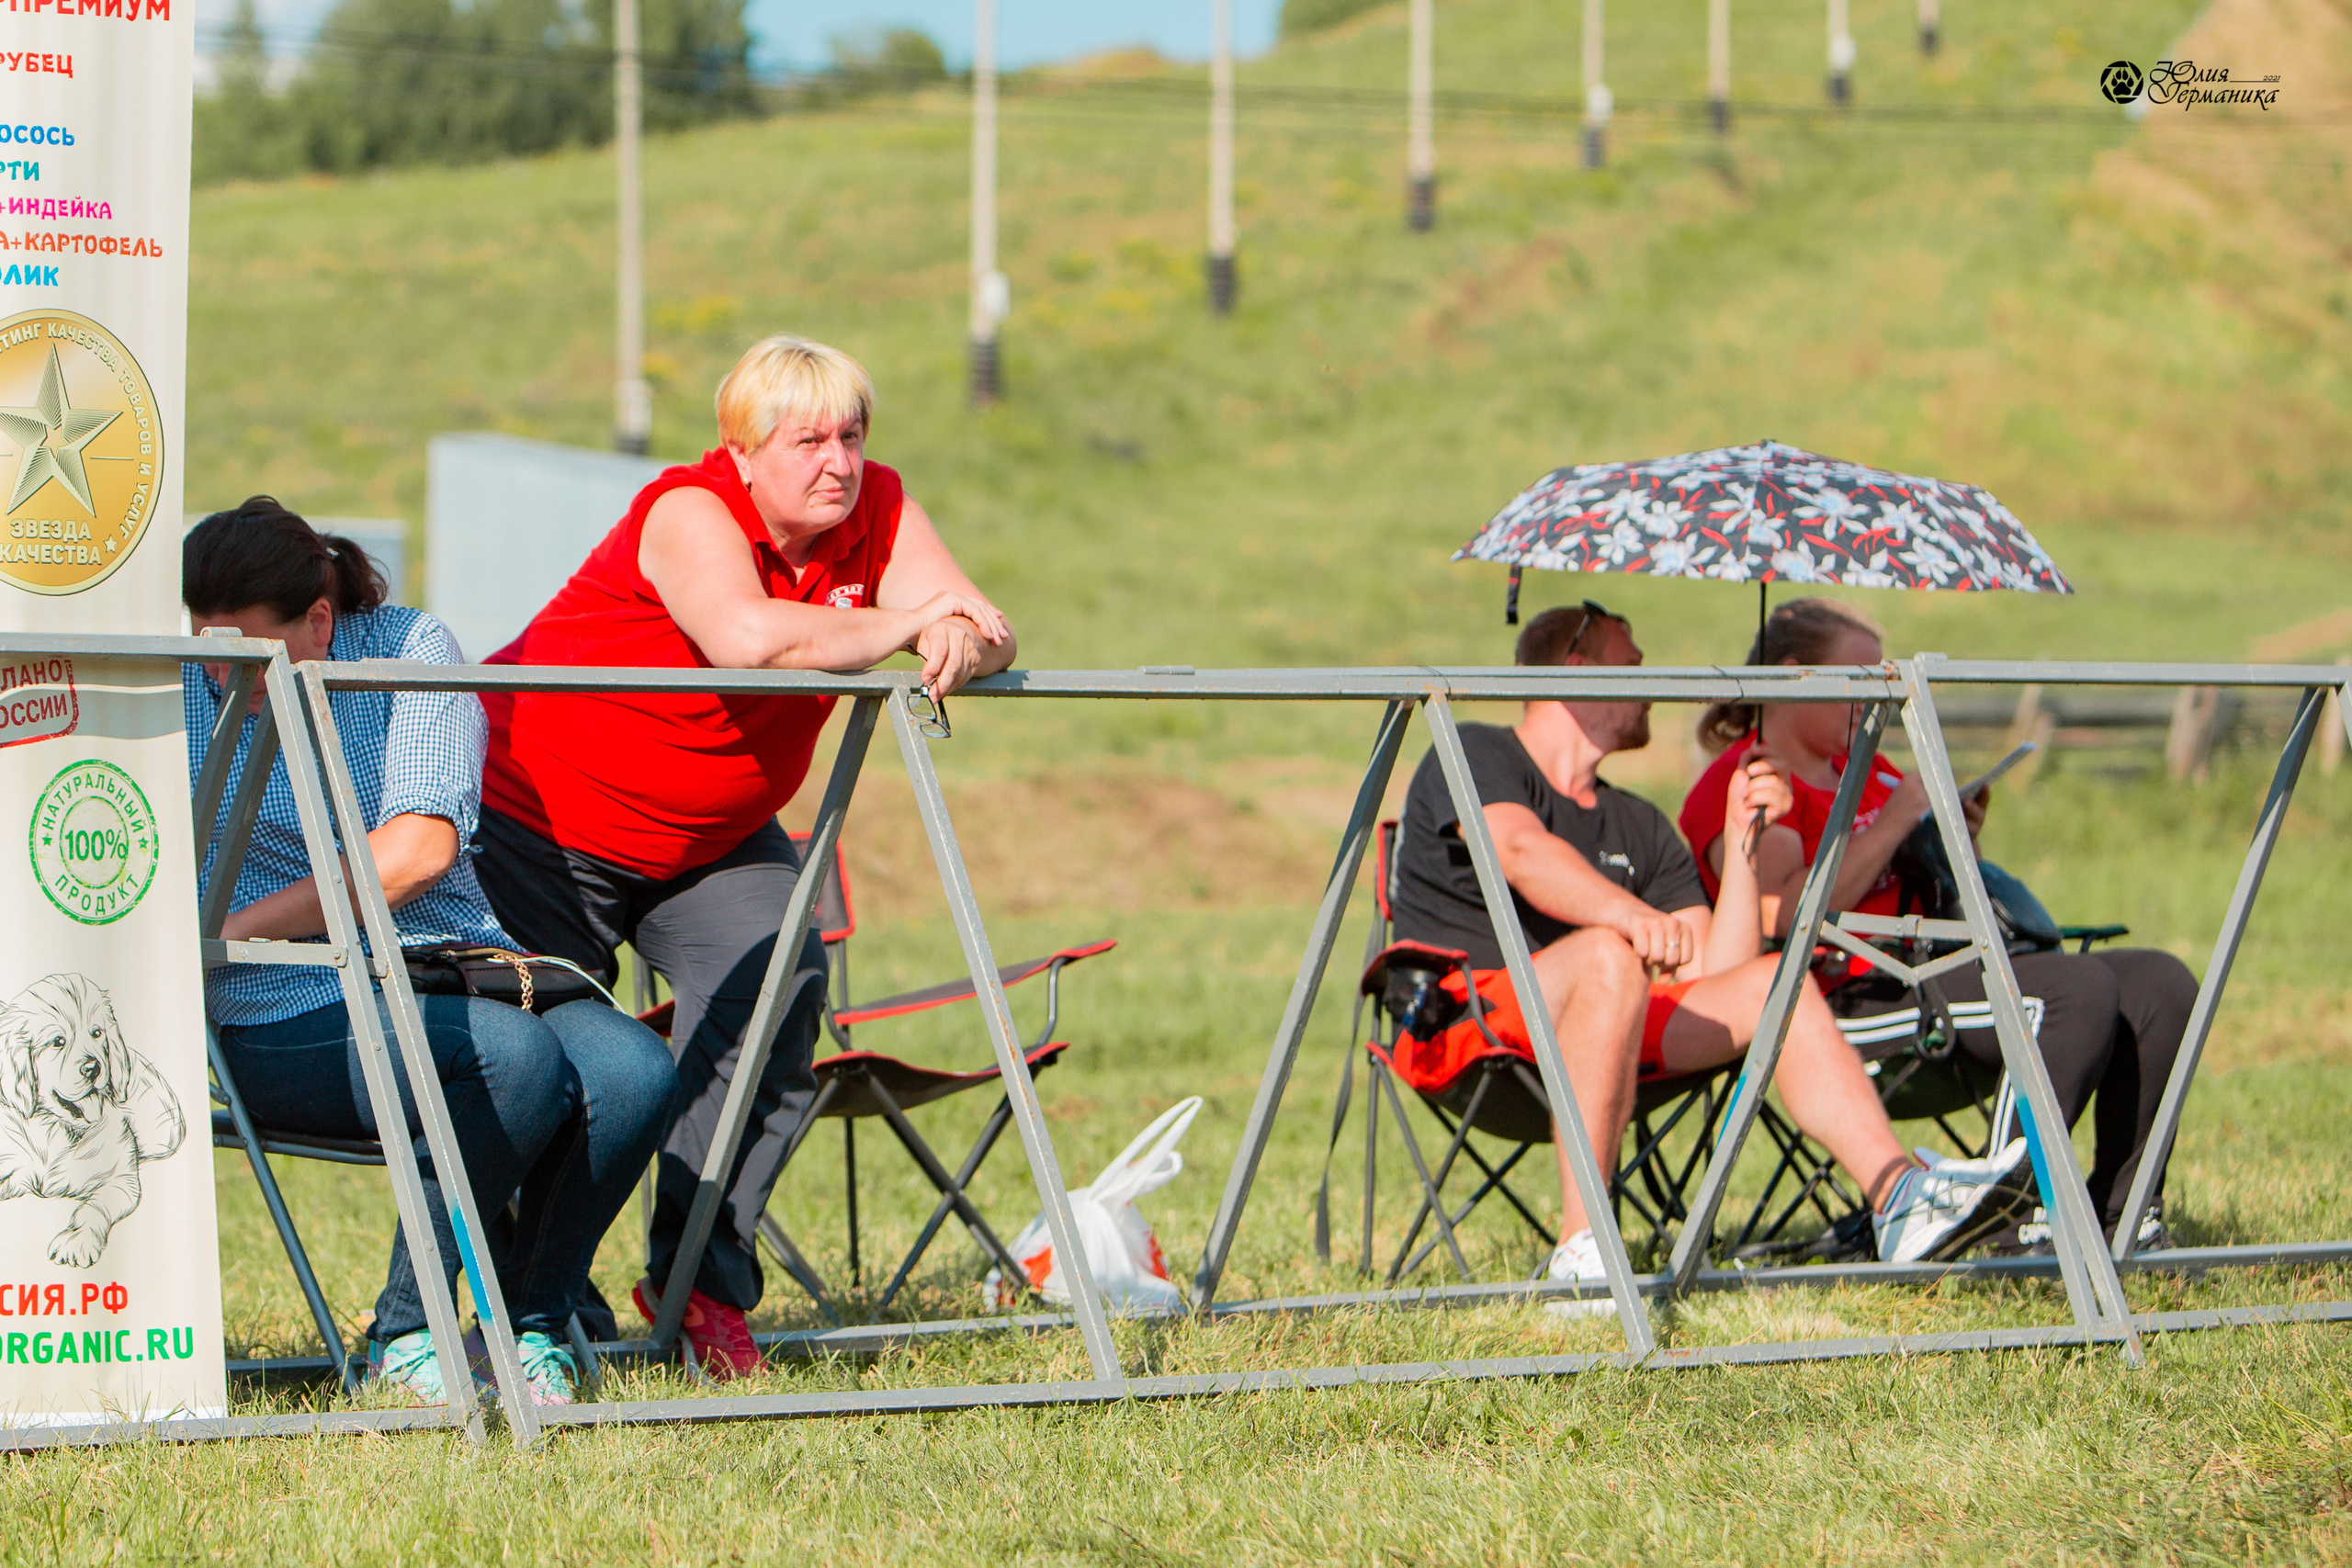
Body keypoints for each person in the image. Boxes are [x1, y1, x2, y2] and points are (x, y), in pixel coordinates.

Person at [469, 334, 1014, 1377]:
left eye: (852, 435)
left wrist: (959, 639)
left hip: (712, 838)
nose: (839, 463)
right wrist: (910, 622)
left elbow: (987, 626)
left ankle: (700, 1283)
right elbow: (750, 641)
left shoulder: (880, 507)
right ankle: (543, 1304)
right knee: (539, 1053)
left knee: (781, 982)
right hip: (539, 813)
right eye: (809, 441)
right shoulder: (687, 509)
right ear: (743, 452)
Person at [1386, 602, 2032, 1311]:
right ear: (1578, 670)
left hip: (1619, 1022)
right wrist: (1629, 917)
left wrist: (1742, 834)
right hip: (1473, 1021)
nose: (1654, 681)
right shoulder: (1476, 751)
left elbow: (1710, 970)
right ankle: (1582, 1252)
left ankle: (1900, 1197)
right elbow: (1517, 849)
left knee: (1773, 980)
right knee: (1607, 956)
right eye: (1635, 665)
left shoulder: (1639, 822)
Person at [185, 498, 678, 1407]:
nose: (218, 672)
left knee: (635, 1071)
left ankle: (528, 1330)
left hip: (447, 966)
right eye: (204, 645)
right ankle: (408, 1333)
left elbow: (416, 853)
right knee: (510, 1060)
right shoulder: (179, 685)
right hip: (278, 1003)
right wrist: (220, 945)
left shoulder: (409, 648)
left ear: (320, 623)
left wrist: (234, 923)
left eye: (243, 651)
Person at [1679, 595, 2196, 1249]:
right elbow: (1780, 914)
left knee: (2159, 982)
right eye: (1860, 681)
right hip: (1849, 1001)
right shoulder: (1746, 782)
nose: (1876, 701)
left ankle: (2125, 1215)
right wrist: (1897, 818)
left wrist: (1957, 834)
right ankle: (2001, 1222)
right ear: (1794, 676)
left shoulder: (1867, 768)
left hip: (1934, 971)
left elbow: (1932, 881)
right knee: (2076, 989)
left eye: (1883, 683)